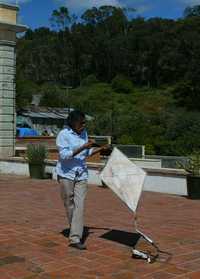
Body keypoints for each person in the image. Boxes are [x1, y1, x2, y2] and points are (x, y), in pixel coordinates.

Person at [56, 110, 108, 250]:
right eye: (81, 122)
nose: (84, 125)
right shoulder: (63, 135)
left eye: (85, 122)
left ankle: (74, 238)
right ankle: (75, 228)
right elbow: (65, 156)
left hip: (81, 174)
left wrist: (100, 149)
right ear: (73, 122)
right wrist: (83, 147)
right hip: (66, 174)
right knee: (69, 205)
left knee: (80, 206)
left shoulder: (84, 134)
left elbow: (86, 153)